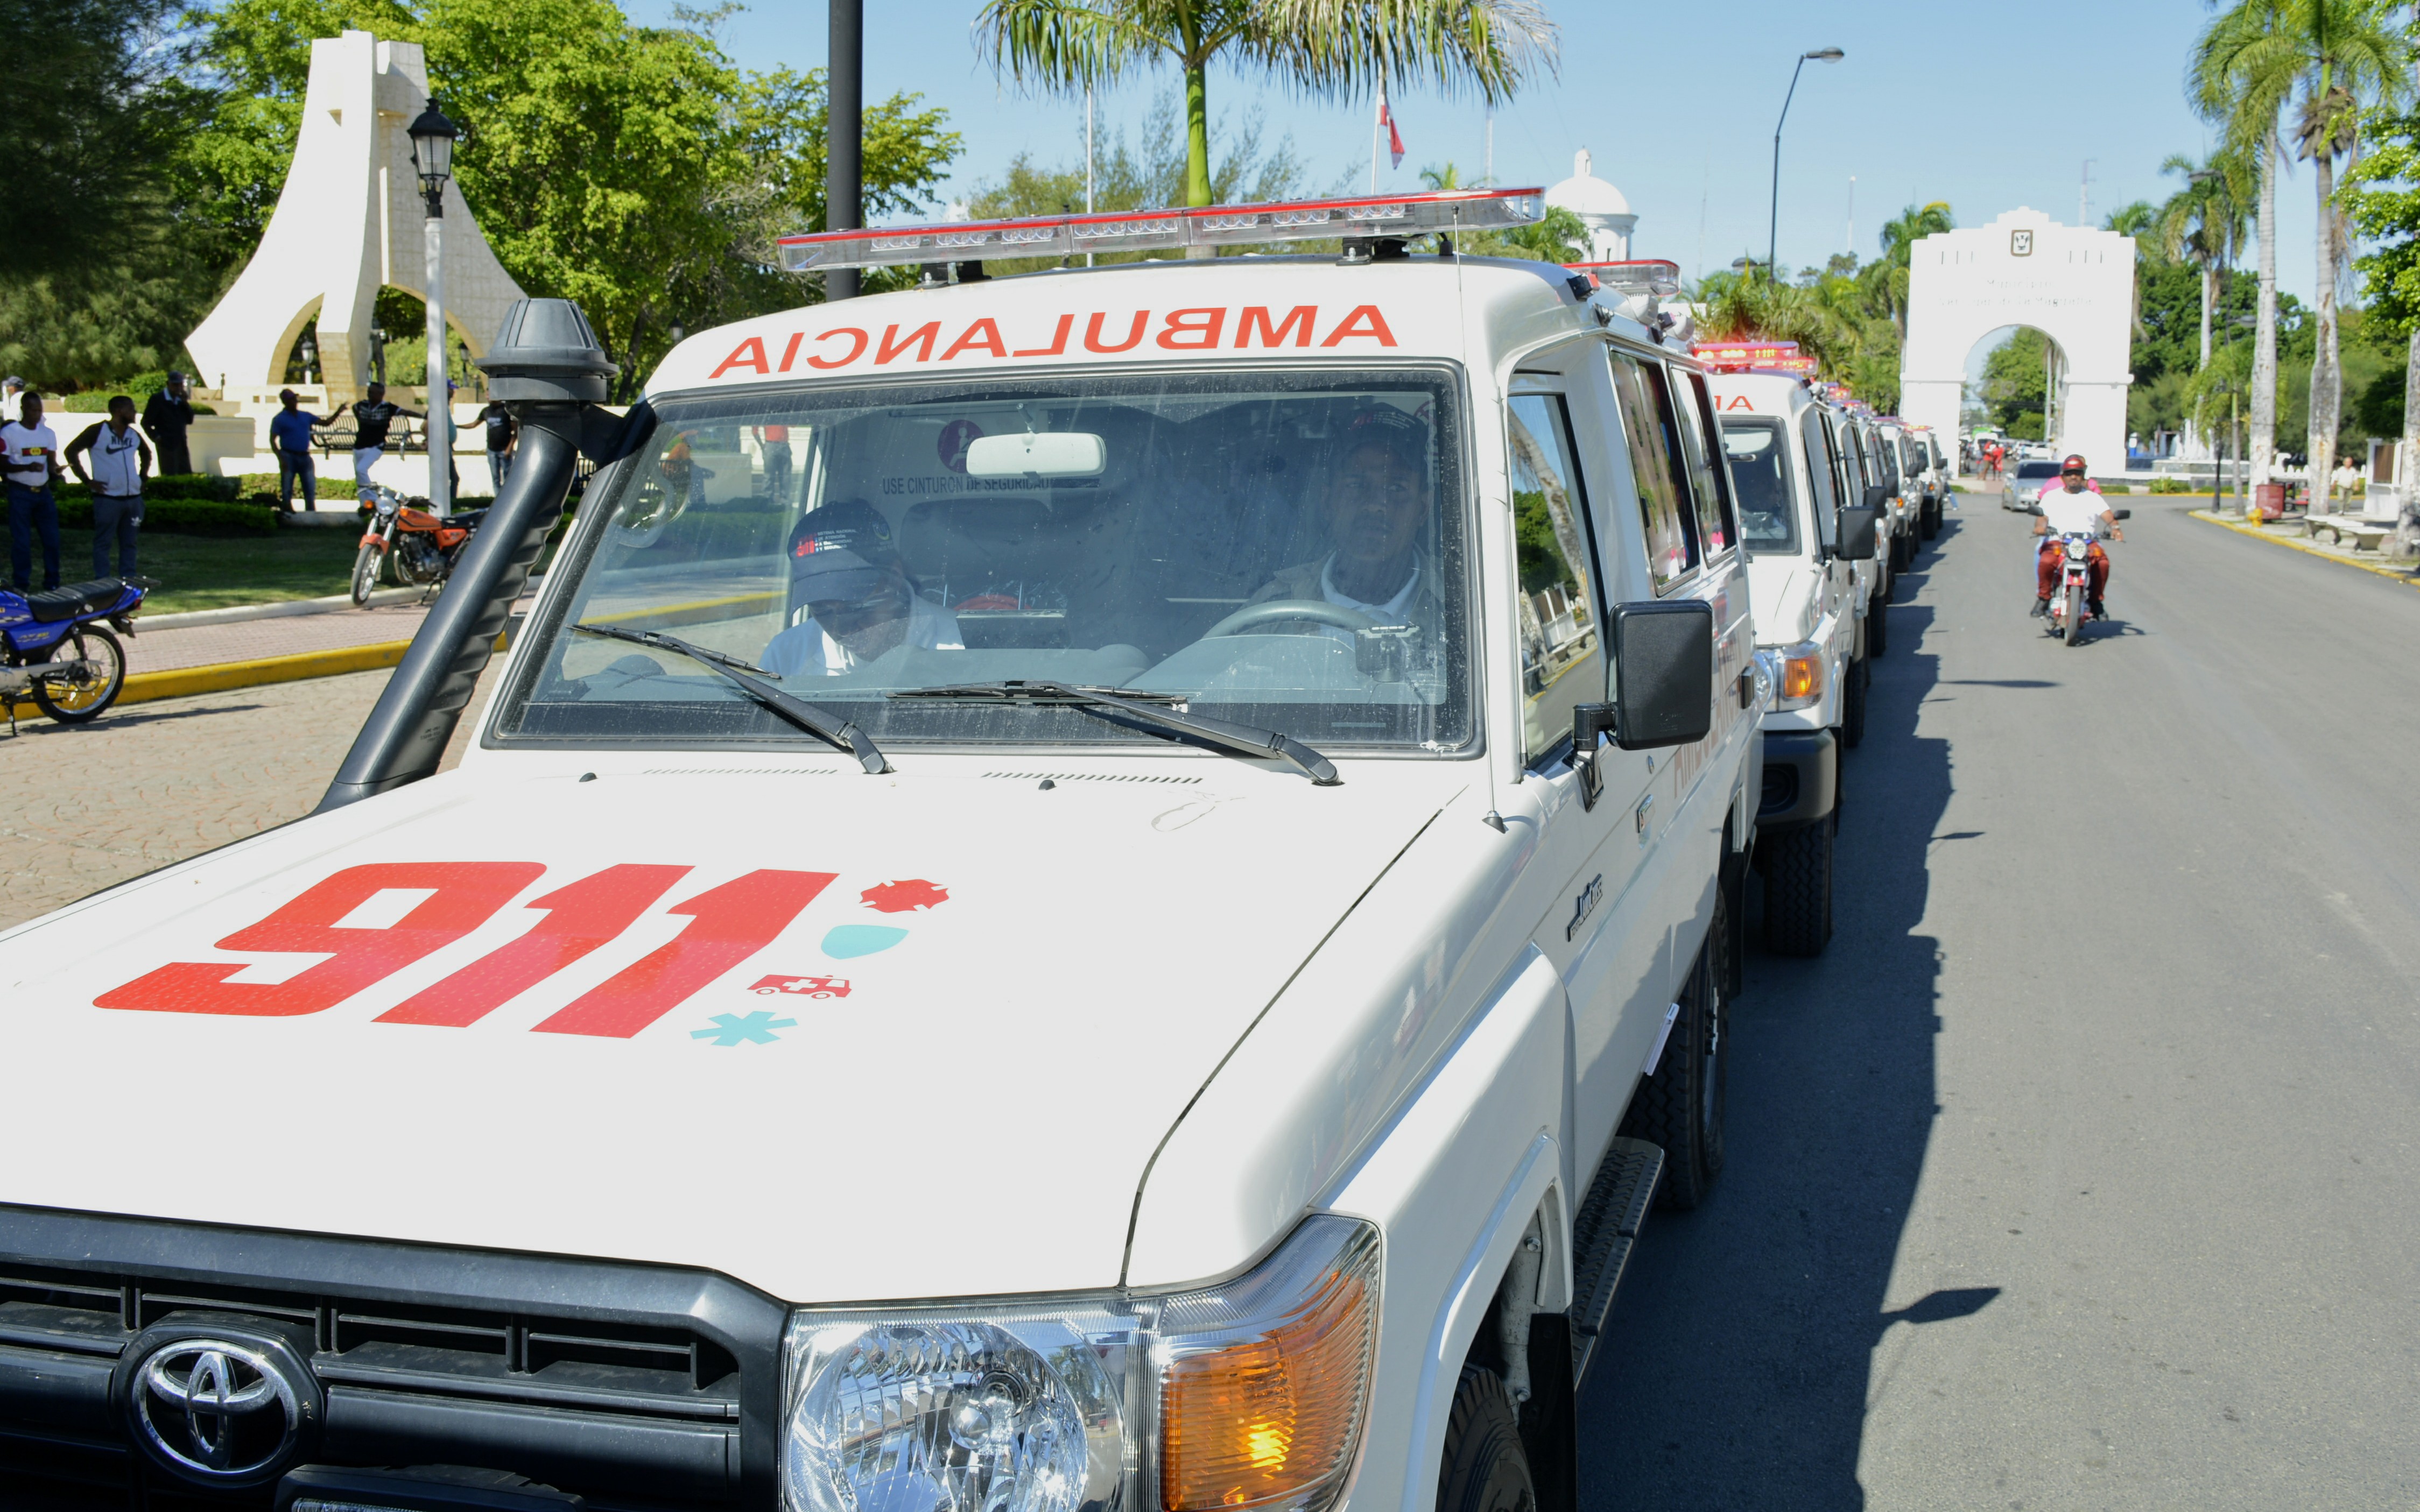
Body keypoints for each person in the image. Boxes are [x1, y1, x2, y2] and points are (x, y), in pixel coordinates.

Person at [1243, 407, 1445, 644]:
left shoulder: (1464, 604)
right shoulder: (1273, 610)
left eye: (1396, 488)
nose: (1374, 505)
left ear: (1423, 508)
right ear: (1326, 501)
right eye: (1356, 484)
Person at [759, 500, 962, 676]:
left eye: (855, 607)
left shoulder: (959, 646)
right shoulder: (785, 657)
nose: (843, 630)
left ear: (894, 578)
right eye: (822, 611)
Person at [65, 395, 151, 577]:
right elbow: (71, 451)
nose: (134, 413)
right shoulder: (97, 431)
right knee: (104, 542)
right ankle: (103, 582)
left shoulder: (132, 434)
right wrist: (87, 480)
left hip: (133, 499)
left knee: (130, 543)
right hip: (107, 499)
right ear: (119, 411)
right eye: (131, 409)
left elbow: (147, 453)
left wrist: (142, 478)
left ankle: (128, 580)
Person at [2031, 454, 2123, 619]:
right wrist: (2040, 528)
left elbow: (2108, 516)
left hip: (2087, 542)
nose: (2073, 477)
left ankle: (2096, 602)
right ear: (2063, 477)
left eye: (2078, 473)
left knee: (2102, 563)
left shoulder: (2093, 497)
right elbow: (2042, 518)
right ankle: (2044, 598)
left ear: (2083, 476)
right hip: (2058, 541)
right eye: (2069, 473)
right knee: (2046, 561)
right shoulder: (2051, 496)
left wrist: (2115, 528)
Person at [2, 392, 65, 590]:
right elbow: (2, 465)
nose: (37, 415)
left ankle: (52, 582)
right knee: (22, 541)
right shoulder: (9, 433)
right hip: (20, 492)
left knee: (52, 540)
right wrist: (26, 468)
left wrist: (57, 471)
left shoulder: (48, 434)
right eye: (33, 410)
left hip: (43, 493)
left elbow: (51, 463)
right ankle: (21, 584)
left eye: (40, 410)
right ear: (23, 410)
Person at [269, 388, 346, 512]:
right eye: (292, 400)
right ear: (285, 402)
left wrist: (338, 412)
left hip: (305, 456)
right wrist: (281, 458)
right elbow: (273, 440)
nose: (295, 402)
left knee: (310, 488)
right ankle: (287, 512)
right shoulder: (279, 419)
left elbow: (326, 423)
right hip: (288, 455)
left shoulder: (305, 416)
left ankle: (310, 513)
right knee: (287, 488)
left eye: (295, 399)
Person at [349, 382, 421, 492]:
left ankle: (372, 495)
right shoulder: (363, 405)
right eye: (369, 392)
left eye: (372, 393)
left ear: (381, 394)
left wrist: (422, 416)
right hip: (359, 445)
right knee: (359, 475)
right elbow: (354, 408)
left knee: (361, 469)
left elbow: (404, 412)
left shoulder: (387, 407)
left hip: (375, 446)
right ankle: (364, 500)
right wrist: (360, 419)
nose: (369, 395)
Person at [141, 372, 196, 477]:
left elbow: (190, 420)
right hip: (166, 445)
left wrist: (185, 403)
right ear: (168, 384)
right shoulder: (158, 399)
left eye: (180, 385)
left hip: (181, 444)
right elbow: (146, 422)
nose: (178, 388)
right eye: (175, 385)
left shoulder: (181, 401)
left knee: (185, 474)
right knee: (170, 473)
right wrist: (157, 438)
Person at [480, 399, 516, 493]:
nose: (488, 397)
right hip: (492, 450)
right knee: (496, 478)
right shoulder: (486, 411)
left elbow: (516, 431)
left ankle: (508, 497)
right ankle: (498, 499)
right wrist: (457, 426)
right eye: (487, 395)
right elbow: (474, 424)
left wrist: (510, 448)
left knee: (508, 477)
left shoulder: (506, 410)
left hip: (505, 450)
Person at [756, 422, 792, 505]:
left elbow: (755, 431)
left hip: (774, 445)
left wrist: (762, 446)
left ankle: (769, 500)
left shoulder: (767, 416)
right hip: (777, 445)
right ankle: (775, 500)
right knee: (780, 475)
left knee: (779, 475)